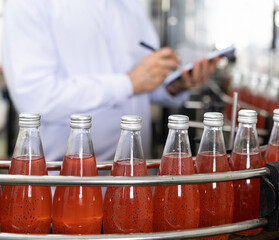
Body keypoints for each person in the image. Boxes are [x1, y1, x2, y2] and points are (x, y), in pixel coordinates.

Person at [2, 0, 218, 161]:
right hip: (66, 182)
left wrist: (173, 85)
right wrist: (129, 83)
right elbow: (36, 98)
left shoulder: (130, 4)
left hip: (135, 174)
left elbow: (142, 84)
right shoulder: (28, 4)